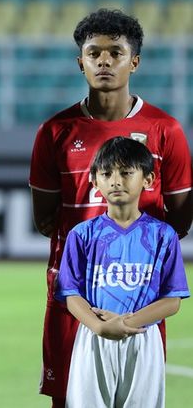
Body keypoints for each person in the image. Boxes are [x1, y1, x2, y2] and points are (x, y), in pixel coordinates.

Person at [29, 8, 192, 408]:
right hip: (73, 290)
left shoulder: (165, 129)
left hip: (139, 293)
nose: (104, 61)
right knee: (68, 397)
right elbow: (45, 216)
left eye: (115, 52)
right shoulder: (55, 131)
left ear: (133, 61)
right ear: (79, 61)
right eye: (94, 52)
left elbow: (181, 216)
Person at [55, 137, 188, 407]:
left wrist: (126, 324)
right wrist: (101, 327)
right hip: (93, 337)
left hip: (143, 337)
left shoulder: (163, 235)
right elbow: (70, 294)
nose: (116, 181)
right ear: (94, 182)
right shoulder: (82, 235)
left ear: (148, 179)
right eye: (107, 174)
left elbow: (172, 300)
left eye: (126, 172)